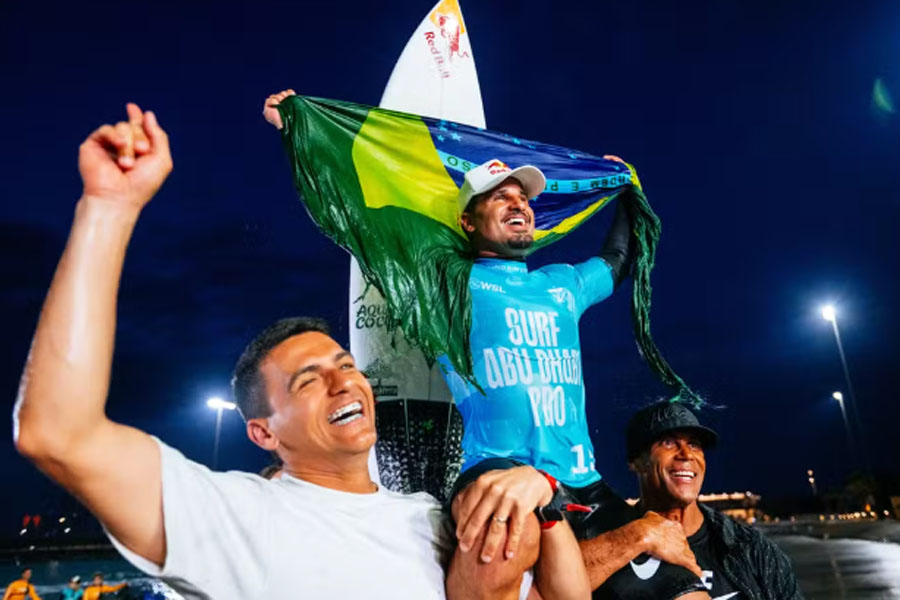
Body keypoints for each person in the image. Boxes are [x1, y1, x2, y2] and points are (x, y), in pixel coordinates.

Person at [13, 102, 549, 600]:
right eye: (308, 380)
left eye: (345, 365)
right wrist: (106, 210)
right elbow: (57, 432)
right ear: (263, 432)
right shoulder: (239, 518)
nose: (344, 383)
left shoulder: (431, 520)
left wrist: (539, 489)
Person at [264, 91, 705, 599]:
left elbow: (619, 258)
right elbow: (366, 219)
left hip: (584, 482)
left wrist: (626, 187)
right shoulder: (448, 281)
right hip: (498, 474)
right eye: (501, 197)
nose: (518, 203)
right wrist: (299, 128)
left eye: (523, 199)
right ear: (468, 222)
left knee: (689, 592)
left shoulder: (562, 284)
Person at [587, 401, 804, 600]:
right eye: (668, 442)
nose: (686, 454)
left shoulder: (751, 550)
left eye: (694, 445)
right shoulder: (608, 540)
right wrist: (637, 537)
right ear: (636, 462)